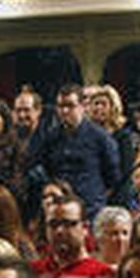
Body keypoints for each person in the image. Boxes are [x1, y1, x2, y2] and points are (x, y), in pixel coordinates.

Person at [27, 84, 121, 220]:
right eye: (60, 106)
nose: (64, 111)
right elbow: (44, 167)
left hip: (90, 208)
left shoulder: (100, 137)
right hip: (59, 207)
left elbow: (113, 177)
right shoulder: (50, 137)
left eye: (70, 106)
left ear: (83, 106)